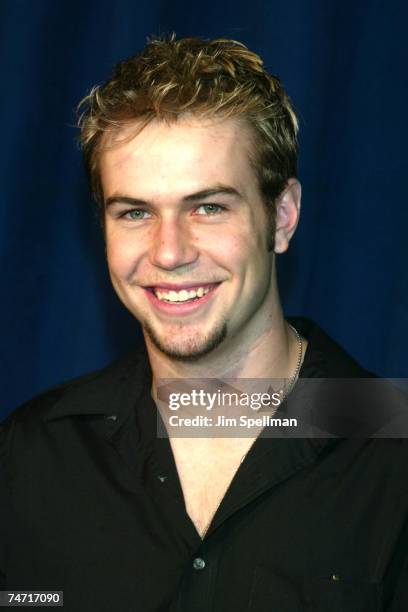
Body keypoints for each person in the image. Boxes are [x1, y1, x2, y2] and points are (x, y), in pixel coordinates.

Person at [1, 35, 407, 611]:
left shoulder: (391, 450)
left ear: (282, 216)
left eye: (208, 207)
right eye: (135, 212)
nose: (169, 252)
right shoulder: (34, 454)